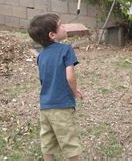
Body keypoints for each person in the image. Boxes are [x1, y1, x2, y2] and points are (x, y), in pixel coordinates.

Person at [28, 13, 83, 160]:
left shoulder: (40, 56)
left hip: (45, 106)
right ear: (52, 34)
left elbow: (43, 79)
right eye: (61, 25)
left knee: (47, 141)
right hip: (61, 106)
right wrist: (74, 91)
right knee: (69, 143)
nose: (64, 26)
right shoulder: (66, 50)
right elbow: (70, 76)